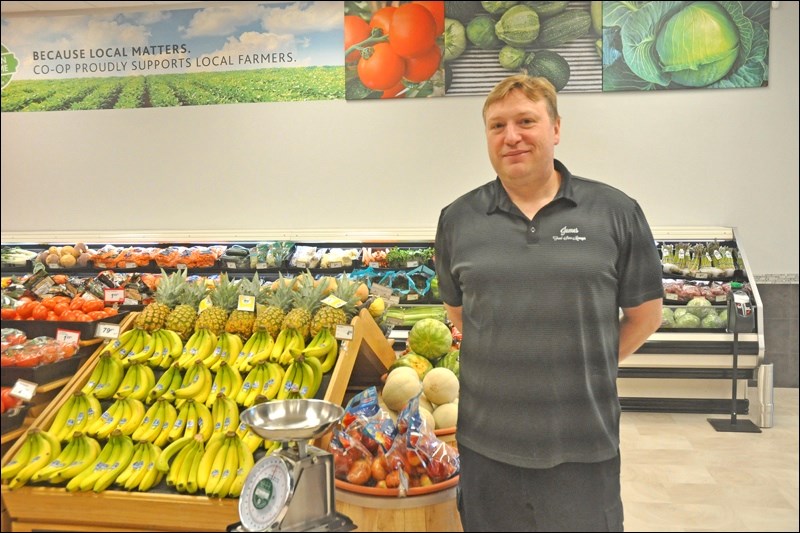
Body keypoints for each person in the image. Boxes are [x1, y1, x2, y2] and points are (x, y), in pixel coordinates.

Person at [434, 74, 664, 532]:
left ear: (556, 128)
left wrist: (587, 360)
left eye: (526, 121)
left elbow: (646, 315)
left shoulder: (615, 212)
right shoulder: (457, 219)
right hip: (486, 447)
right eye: (497, 126)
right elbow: (460, 315)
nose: (511, 137)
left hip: (584, 444)